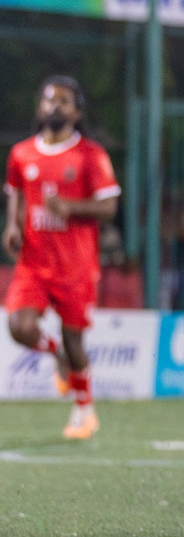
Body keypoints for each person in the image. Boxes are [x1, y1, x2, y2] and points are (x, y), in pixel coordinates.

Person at [3, 76, 120, 440]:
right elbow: (15, 193)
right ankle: (55, 354)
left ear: (77, 111)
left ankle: (84, 411)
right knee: (19, 327)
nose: (55, 106)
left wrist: (68, 207)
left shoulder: (91, 155)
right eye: (49, 100)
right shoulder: (21, 153)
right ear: (39, 107)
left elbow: (109, 207)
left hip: (76, 267)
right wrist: (11, 226)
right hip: (34, 263)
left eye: (64, 101)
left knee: (75, 342)